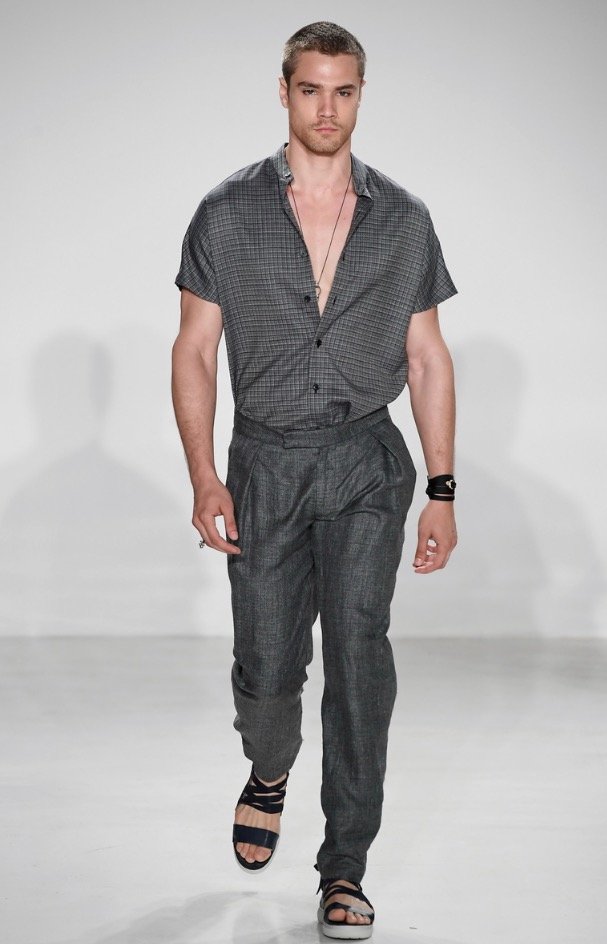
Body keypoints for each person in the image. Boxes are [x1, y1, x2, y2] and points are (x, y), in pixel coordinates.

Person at [172, 21, 457, 940]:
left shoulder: (403, 219)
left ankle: (344, 869)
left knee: (359, 657)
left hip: (366, 462)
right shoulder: (227, 212)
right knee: (266, 667)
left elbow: (426, 356)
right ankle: (268, 766)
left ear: (360, 94)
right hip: (264, 464)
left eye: (343, 90)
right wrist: (203, 474)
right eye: (310, 89)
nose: (326, 108)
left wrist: (442, 489)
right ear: (284, 92)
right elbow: (195, 349)